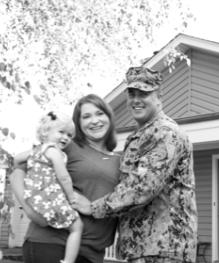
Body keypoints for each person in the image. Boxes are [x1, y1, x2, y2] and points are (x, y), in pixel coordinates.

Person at [76, 67, 198, 263]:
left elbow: (142, 188)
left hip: (164, 249)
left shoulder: (166, 133)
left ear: (159, 95)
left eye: (144, 93)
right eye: (132, 93)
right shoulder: (140, 135)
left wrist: (93, 208)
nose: (136, 99)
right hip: (140, 248)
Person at [9, 94, 120, 263]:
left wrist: (92, 206)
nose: (94, 121)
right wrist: (30, 210)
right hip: (51, 244)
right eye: (86, 116)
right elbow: (17, 172)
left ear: (109, 116)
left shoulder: (121, 160)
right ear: (79, 123)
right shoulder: (67, 146)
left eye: (99, 113)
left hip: (93, 253)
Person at [14, 111, 84, 263]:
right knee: (77, 227)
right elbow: (63, 177)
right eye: (61, 132)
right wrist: (71, 197)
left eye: (69, 135)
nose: (65, 137)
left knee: (52, 223)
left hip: (34, 199)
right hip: (50, 199)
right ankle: (68, 261)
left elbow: (17, 159)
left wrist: (33, 154)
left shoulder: (37, 151)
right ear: (46, 132)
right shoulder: (54, 152)